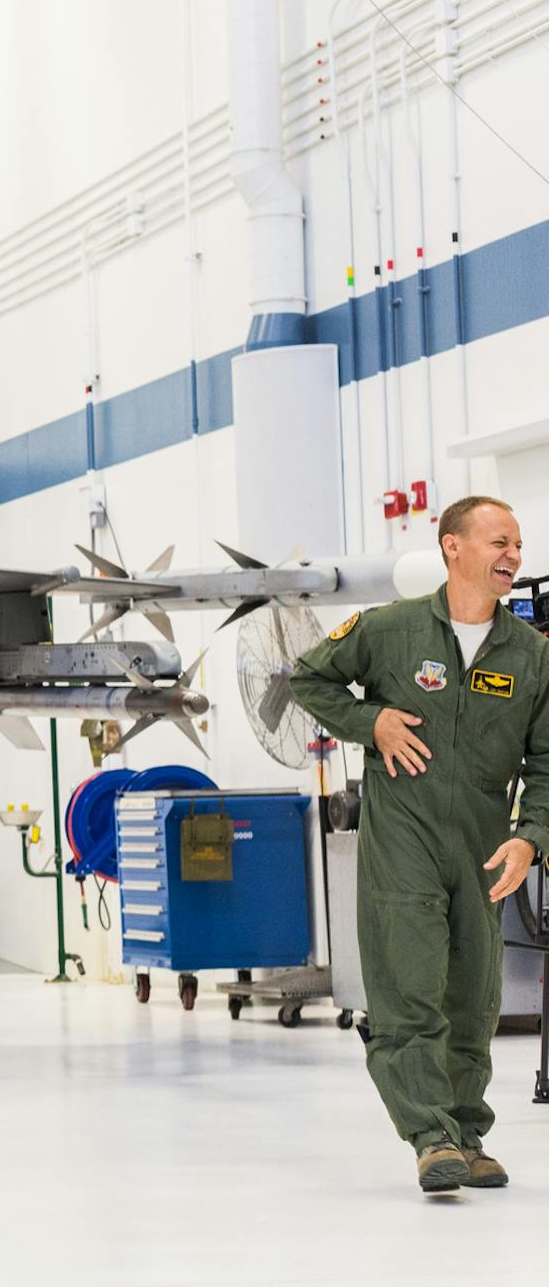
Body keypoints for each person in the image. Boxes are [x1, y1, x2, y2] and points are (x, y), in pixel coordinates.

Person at [292, 495, 549, 1192]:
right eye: (500, 540)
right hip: (404, 828)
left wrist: (531, 837)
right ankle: (429, 1133)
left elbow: (547, 760)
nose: (513, 555)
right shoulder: (391, 629)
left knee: (474, 993)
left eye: (518, 544)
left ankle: (466, 1133)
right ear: (452, 546)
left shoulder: (531, 655)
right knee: (410, 983)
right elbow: (307, 677)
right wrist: (369, 721)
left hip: (484, 841)